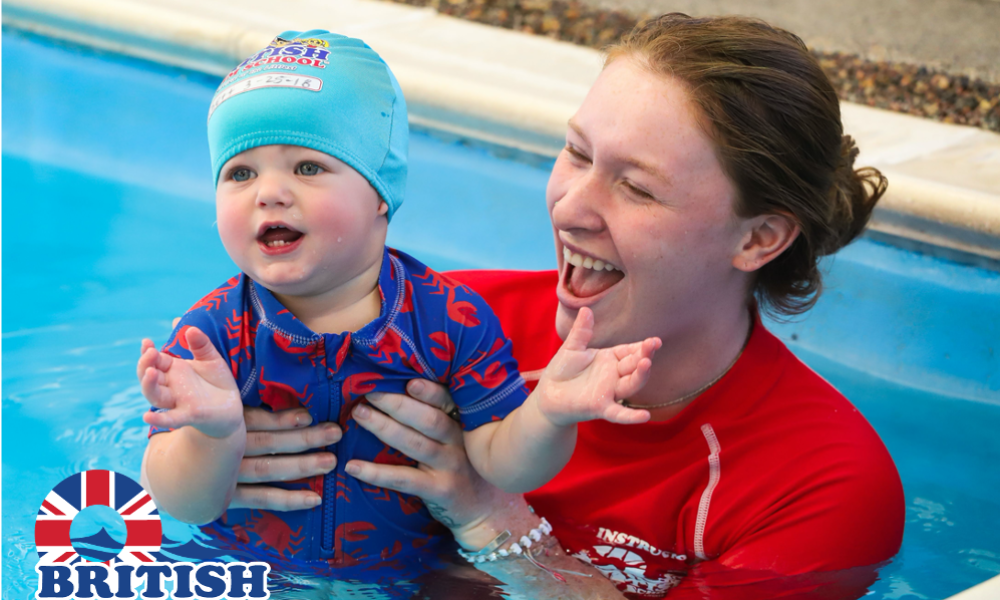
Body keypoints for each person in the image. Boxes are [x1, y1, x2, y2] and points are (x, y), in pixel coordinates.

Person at [218, 14, 906, 598]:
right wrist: (219, 464)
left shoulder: (821, 485)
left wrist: (490, 518)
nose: (570, 208)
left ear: (758, 238)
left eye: (637, 188)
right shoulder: (437, 326)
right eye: (577, 153)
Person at [136, 29, 662, 565]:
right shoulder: (213, 337)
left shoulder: (449, 320)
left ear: (380, 195)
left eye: (308, 167)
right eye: (240, 173)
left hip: (407, 581)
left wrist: (548, 413)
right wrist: (213, 435)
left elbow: (503, 467)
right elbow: (183, 504)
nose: (268, 192)